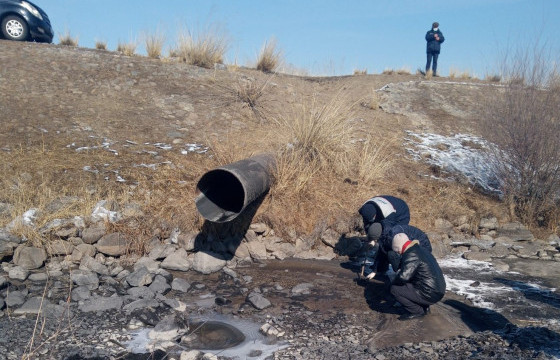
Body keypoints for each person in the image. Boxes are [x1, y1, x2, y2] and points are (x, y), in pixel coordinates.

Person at [389, 233, 446, 320]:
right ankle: (424, 304)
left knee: (395, 289)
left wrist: (393, 282)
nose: (398, 253)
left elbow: (403, 277)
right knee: (411, 281)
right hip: (438, 289)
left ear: (399, 248)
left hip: (430, 293)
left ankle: (417, 311)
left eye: (397, 250)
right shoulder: (420, 249)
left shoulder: (411, 254)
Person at [357, 195, 410, 276]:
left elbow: (385, 236)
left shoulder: (388, 214)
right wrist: (370, 238)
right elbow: (368, 224)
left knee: (389, 240)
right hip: (385, 208)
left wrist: (375, 269)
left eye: (373, 218)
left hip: (401, 213)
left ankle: (389, 267)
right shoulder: (365, 209)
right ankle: (379, 265)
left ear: (375, 215)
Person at [366, 224, 432, 279]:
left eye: (373, 240)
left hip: (422, 246)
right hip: (414, 247)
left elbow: (405, 253)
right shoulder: (385, 234)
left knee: (392, 254)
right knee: (391, 253)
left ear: (376, 237)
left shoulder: (392, 237)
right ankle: (404, 274)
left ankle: (406, 276)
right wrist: (375, 271)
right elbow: (381, 252)